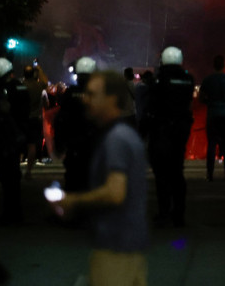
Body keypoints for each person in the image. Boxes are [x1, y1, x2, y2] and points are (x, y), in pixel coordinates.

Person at [50, 70, 149, 286]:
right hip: (129, 246)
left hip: (115, 248)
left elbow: (115, 193)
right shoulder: (126, 135)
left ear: (112, 99)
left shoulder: (115, 139)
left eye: (93, 94)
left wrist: (72, 201)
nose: (85, 99)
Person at [147, 46, 195, 227]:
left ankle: (164, 211)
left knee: (161, 174)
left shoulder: (159, 79)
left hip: (162, 129)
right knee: (177, 172)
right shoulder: (188, 79)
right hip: (181, 129)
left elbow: (152, 106)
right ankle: (179, 213)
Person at [0, 57, 29, 224]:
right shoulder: (21, 87)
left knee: (7, 176)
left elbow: (2, 114)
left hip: (8, 137)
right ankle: (14, 212)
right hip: (18, 136)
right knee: (12, 176)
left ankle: (11, 214)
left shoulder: (5, 90)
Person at [54, 56, 97, 193]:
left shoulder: (70, 93)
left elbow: (61, 119)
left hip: (74, 145)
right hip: (92, 145)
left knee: (72, 181)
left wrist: (59, 143)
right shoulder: (98, 94)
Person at [198, 54, 225, 182]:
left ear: (213, 65)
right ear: (224, 65)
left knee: (211, 144)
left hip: (213, 114)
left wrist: (210, 102)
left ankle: (209, 174)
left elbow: (201, 98)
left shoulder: (207, 80)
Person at [23, 63, 48, 179]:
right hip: (34, 118)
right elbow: (45, 82)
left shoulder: (21, 86)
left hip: (22, 118)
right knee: (32, 145)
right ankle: (28, 170)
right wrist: (40, 69)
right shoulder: (38, 86)